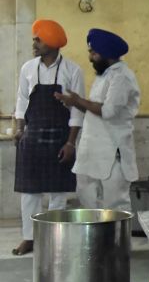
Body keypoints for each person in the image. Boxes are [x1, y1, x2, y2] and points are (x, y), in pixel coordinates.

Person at [11, 20, 85, 255]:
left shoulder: (72, 70)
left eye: (38, 39)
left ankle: (55, 238)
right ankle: (29, 238)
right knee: (29, 192)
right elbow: (22, 101)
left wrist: (71, 142)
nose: (34, 43)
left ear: (52, 44)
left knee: (57, 193)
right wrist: (20, 129)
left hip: (60, 137)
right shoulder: (28, 69)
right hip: (31, 137)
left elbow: (76, 111)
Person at [55, 29, 140, 213]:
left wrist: (77, 100)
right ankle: (95, 241)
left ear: (107, 54)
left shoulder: (121, 77)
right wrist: (72, 102)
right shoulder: (104, 76)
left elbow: (108, 111)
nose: (91, 58)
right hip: (92, 150)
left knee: (115, 205)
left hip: (112, 153)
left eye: (94, 53)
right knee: (87, 199)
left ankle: (116, 242)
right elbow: (92, 109)